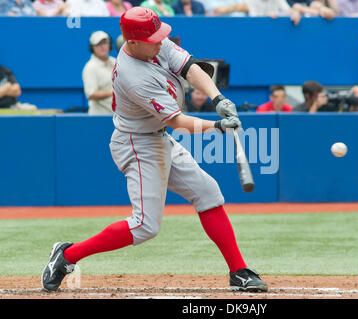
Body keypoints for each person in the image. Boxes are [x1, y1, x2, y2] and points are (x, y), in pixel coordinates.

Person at [41, 7, 268, 293]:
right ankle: (67, 256)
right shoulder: (133, 75)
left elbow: (190, 67)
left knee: (208, 192)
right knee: (145, 226)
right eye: (153, 38)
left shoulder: (152, 44)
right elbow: (177, 121)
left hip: (156, 138)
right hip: (137, 143)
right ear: (132, 42)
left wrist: (218, 98)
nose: (160, 41)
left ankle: (238, 271)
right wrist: (218, 128)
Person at [82, 31, 116, 115]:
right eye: (98, 44)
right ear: (92, 48)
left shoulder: (115, 62)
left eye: (105, 43)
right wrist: (114, 92)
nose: (102, 46)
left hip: (116, 115)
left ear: (110, 45)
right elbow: (91, 94)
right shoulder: (90, 67)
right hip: (99, 116)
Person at [293, 80, 358, 113]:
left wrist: (357, 94)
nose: (320, 97)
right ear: (307, 95)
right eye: (316, 95)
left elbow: (352, 113)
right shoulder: (297, 110)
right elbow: (306, 126)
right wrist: (315, 106)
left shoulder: (326, 106)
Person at [214, 0, 301, 25]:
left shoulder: (278, 1)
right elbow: (222, 10)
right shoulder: (250, 2)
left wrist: (295, 12)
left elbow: (288, 10)